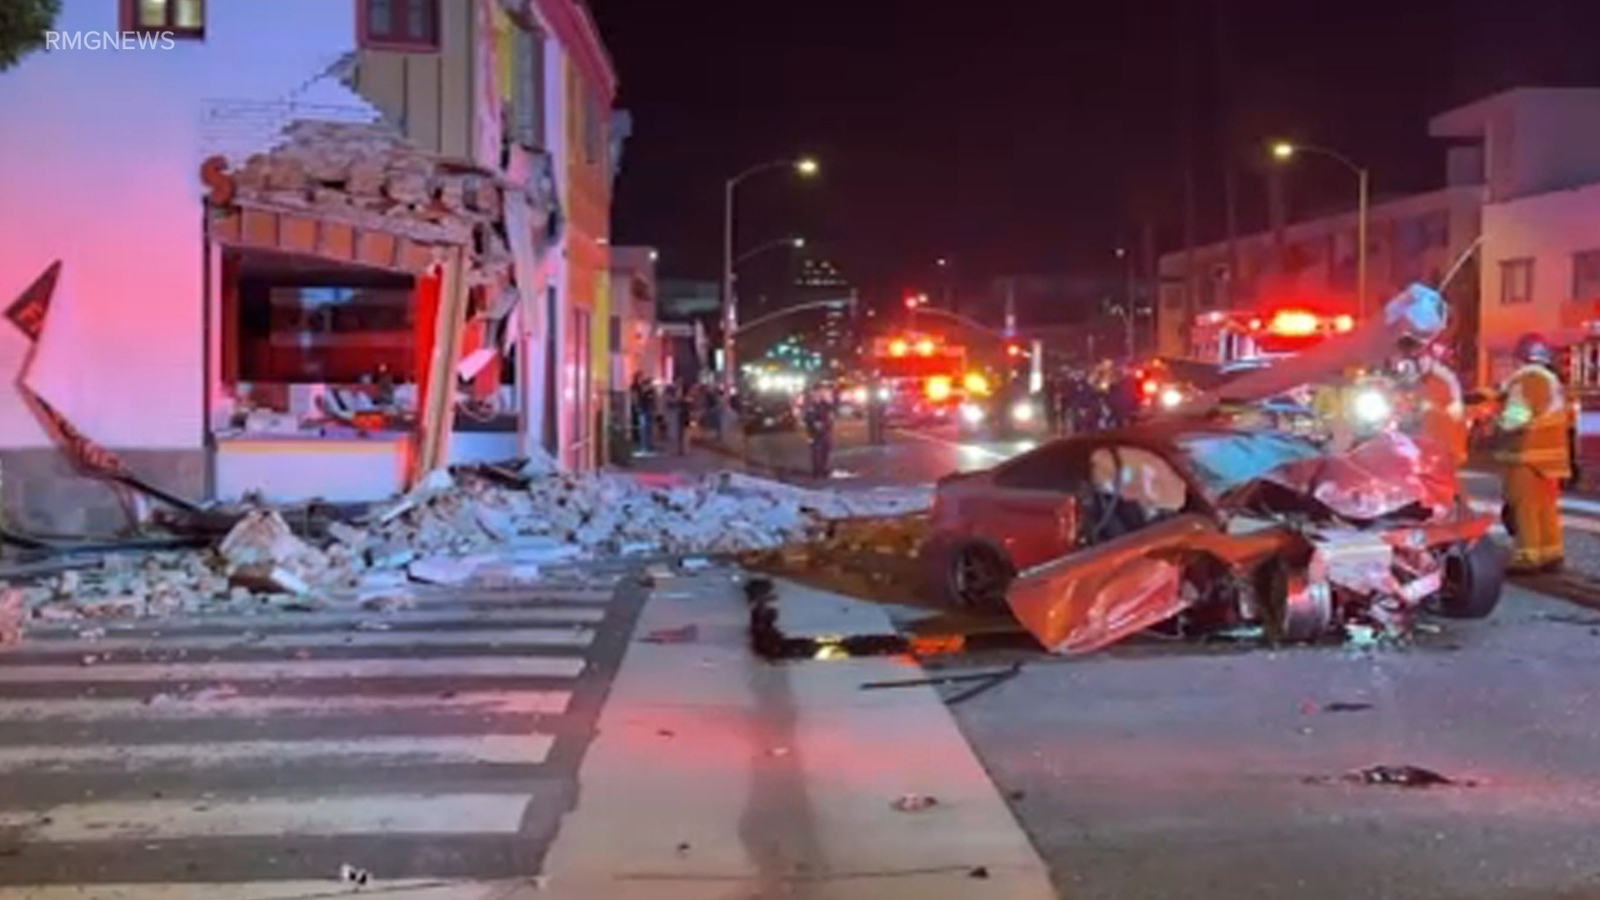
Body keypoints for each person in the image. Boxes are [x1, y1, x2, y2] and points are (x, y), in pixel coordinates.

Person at [1495, 333, 1571, 573]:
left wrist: (1497, 420)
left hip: (1526, 456)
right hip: (1550, 460)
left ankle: (1527, 557)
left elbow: (1515, 418)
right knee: (1546, 507)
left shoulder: (1527, 380)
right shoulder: (1551, 381)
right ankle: (1551, 553)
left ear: (1521, 358)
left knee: (1525, 508)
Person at [1396, 338, 1468, 467]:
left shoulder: (1429, 364)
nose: (1411, 352)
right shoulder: (1399, 364)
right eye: (1407, 349)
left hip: (1422, 407)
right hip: (1403, 403)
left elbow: (1451, 379)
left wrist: (1457, 401)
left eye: (1414, 348)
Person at [802, 384, 836, 479]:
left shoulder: (825, 404)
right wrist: (814, 423)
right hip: (814, 432)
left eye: (822, 392)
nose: (821, 394)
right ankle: (817, 471)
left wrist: (828, 424)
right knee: (816, 451)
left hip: (825, 431)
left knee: (825, 450)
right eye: (819, 392)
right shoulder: (811, 405)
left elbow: (831, 414)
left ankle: (823, 469)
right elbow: (807, 418)